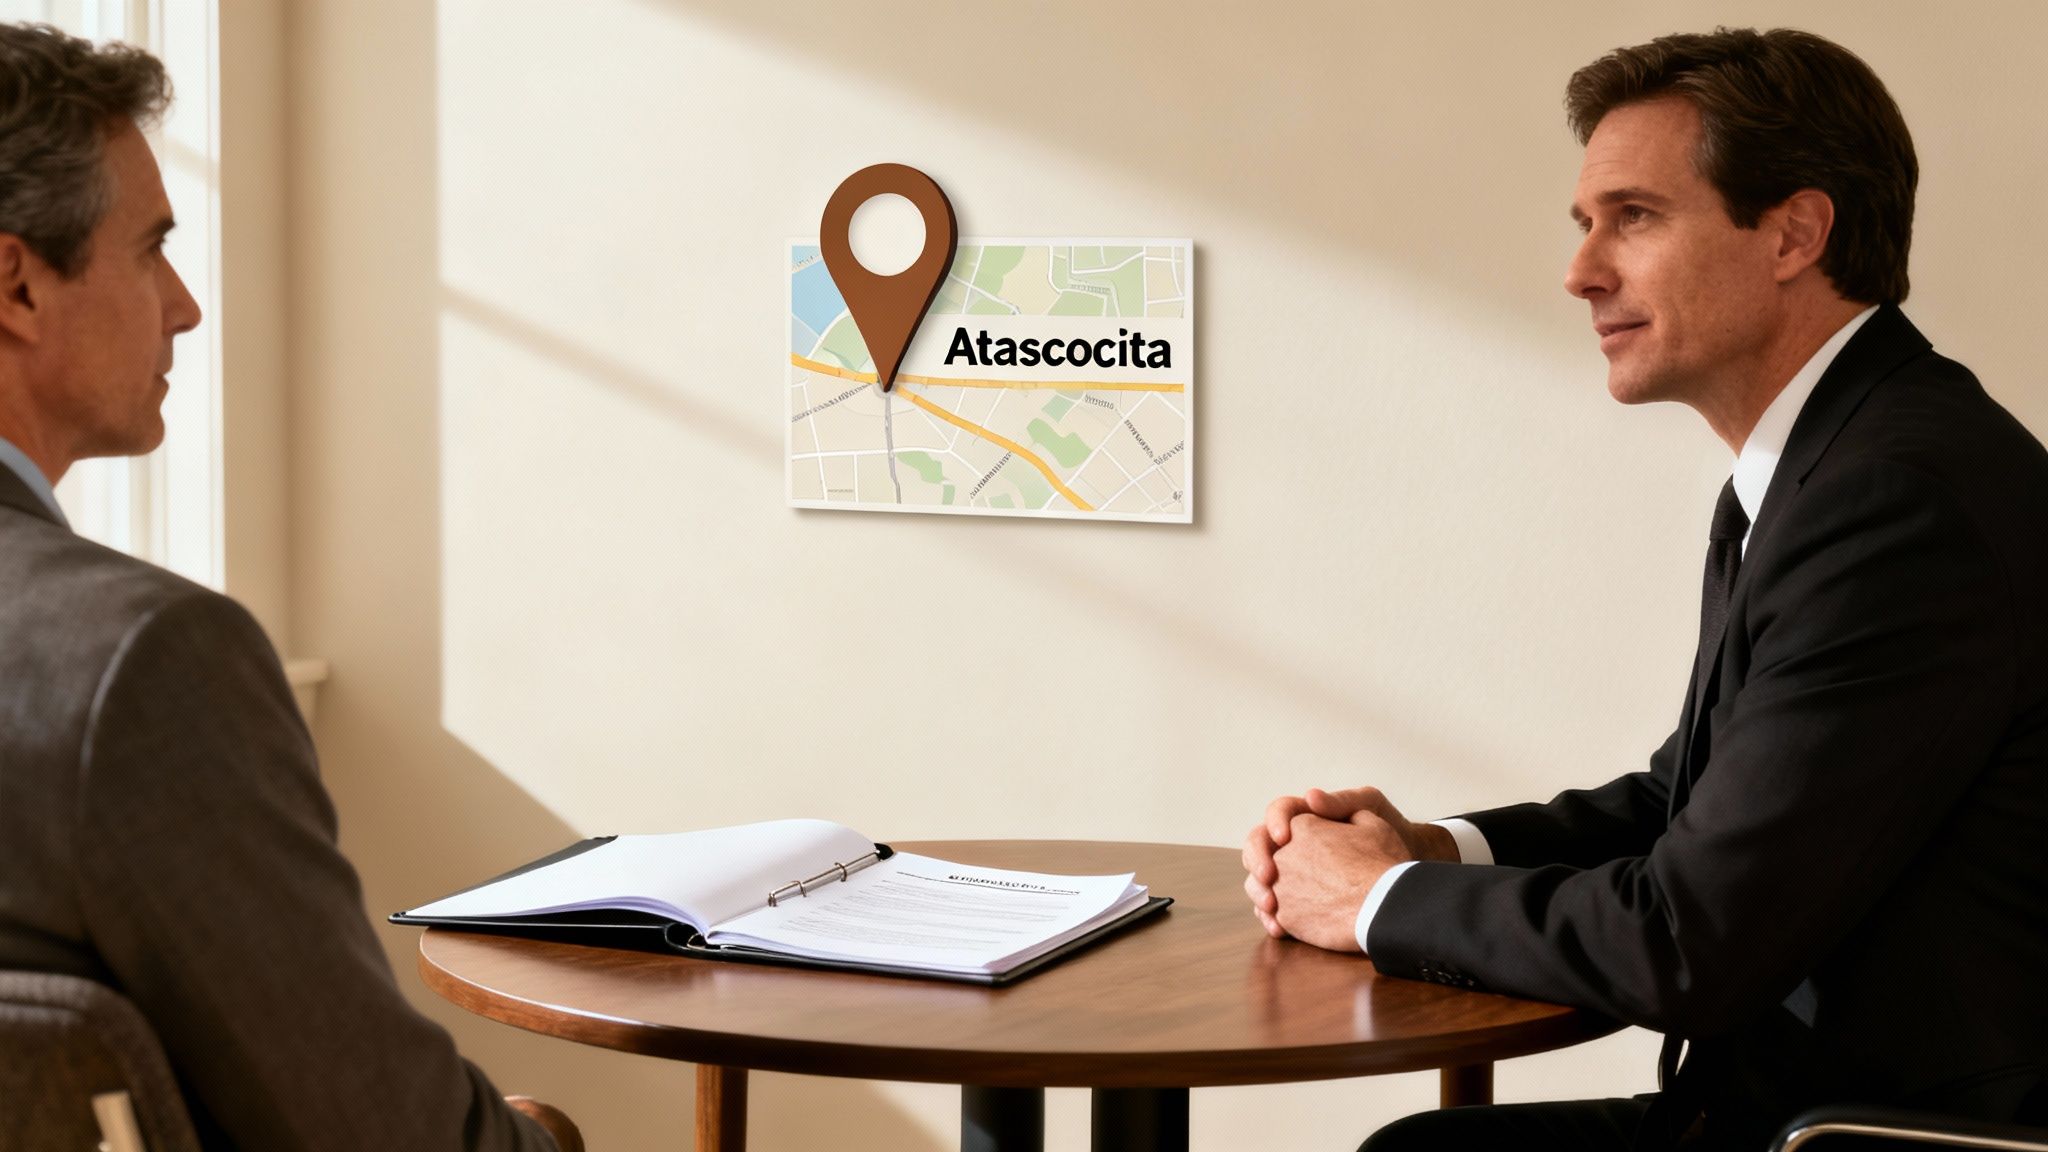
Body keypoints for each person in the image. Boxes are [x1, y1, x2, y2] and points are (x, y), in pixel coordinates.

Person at [1242, 27, 2048, 1152]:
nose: (1579, 272)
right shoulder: (1827, 465)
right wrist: (1433, 850)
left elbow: (1686, 943)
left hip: (1879, 1138)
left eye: (1633, 216)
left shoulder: (1895, 501)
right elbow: (1687, 805)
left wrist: (1370, 902)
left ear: (1792, 233)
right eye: (1585, 225)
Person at [0, 23, 583, 1151]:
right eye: (151, 249)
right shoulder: (136, 666)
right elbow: (392, 1137)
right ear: (16, 285)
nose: (184, 306)